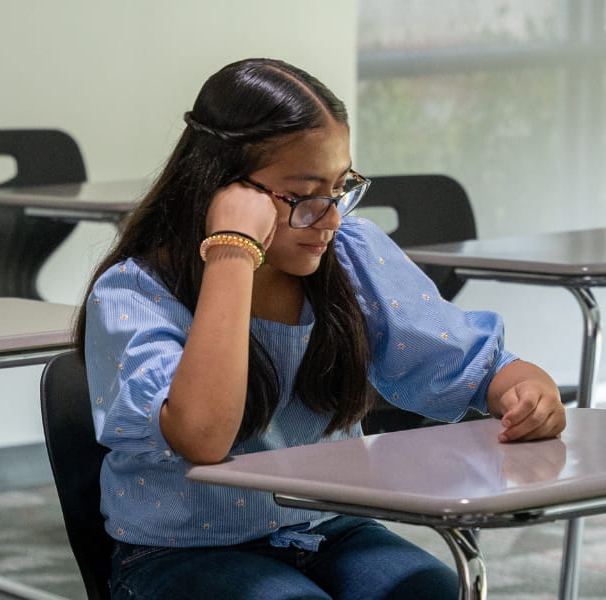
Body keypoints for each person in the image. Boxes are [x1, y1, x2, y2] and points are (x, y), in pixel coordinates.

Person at [78, 57, 566, 600]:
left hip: (329, 527)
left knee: (432, 592)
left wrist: (523, 389)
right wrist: (233, 255)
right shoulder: (136, 291)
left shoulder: (350, 256)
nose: (330, 217)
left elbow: (470, 364)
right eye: (305, 196)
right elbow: (203, 437)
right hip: (183, 549)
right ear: (224, 191)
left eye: (340, 187)